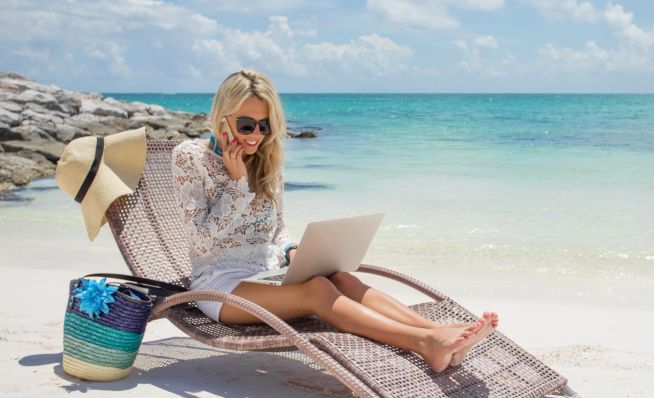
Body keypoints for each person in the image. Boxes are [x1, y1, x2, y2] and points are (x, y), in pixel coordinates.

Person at [171, 69, 498, 372]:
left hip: (267, 273)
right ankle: (425, 344)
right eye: (246, 125)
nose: (256, 135)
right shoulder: (191, 157)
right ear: (222, 118)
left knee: (340, 277)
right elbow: (200, 241)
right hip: (220, 286)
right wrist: (237, 184)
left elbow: (278, 227)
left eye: (265, 126)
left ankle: (437, 330)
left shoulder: (268, 161)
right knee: (317, 290)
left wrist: (291, 252)